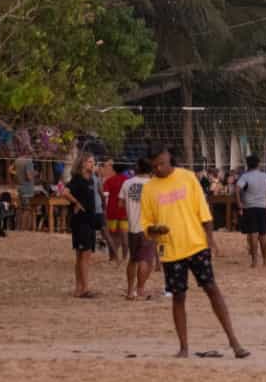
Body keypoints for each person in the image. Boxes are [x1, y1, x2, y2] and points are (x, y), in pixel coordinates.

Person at [139, 145, 248, 359]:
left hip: (196, 245)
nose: (159, 169)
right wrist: (155, 230)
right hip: (171, 251)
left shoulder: (188, 178)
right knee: (178, 297)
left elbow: (203, 211)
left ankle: (234, 342)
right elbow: (147, 226)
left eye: (162, 163)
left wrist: (210, 240)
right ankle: (184, 347)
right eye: (155, 166)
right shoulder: (149, 189)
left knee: (211, 288)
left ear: (168, 157)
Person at [59, 152, 106, 298]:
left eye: (93, 162)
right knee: (84, 255)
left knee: (82, 255)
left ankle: (79, 288)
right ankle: (84, 288)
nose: (93, 164)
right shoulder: (78, 179)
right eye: (90, 162)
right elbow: (64, 192)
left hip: (89, 220)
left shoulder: (91, 179)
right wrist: (76, 203)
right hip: (81, 221)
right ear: (83, 164)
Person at [120, 160, 155, 300]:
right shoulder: (153, 184)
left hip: (132, 226)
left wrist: (132, 206)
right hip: (148, 227)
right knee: (145, 260)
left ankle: (130, 291)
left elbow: (120, 204)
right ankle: (140, 289)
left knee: (133, 259)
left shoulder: (127, 183)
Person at [236, 155, 266, 268]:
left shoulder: (245, 176)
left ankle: (254, 261)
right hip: (262, 207)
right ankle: (265, 261)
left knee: (253, 234)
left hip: (249, 207)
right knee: (263, 235)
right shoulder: (265, 176)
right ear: (258, 164)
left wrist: (239, 204)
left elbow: (237, 189)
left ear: (247, 164)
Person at [102, 161, 130, 264]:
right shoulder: (128, 181)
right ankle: (125, 258)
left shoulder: (109, 181)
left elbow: (105, 196)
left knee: (113, 236)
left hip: (112, 211)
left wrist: (104, 209)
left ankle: (113, 257)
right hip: (125, 211)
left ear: (114, 169)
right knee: (124, 236)